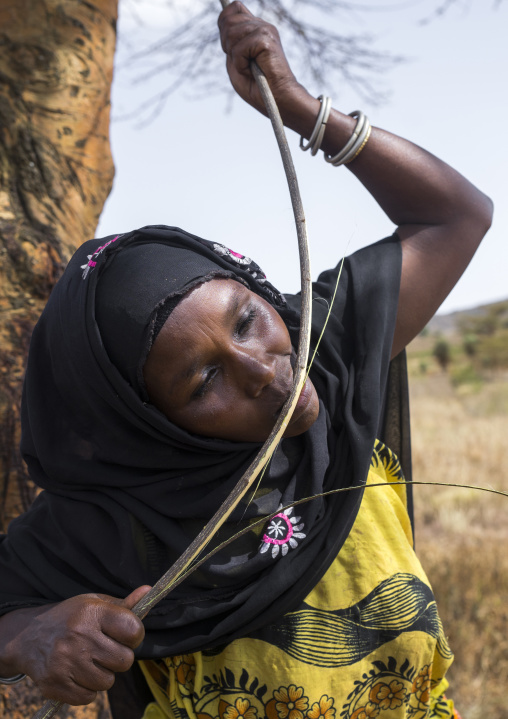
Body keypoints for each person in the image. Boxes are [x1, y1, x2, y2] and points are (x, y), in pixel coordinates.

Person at [0, 3, 493, 718]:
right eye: (204, 382)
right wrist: (29, 635)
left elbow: (455, 216)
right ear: (152, 426)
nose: (263, 371)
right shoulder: (115, 516)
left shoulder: (327, 354)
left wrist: (294, 106)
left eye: (248, 320)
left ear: (263, 291)